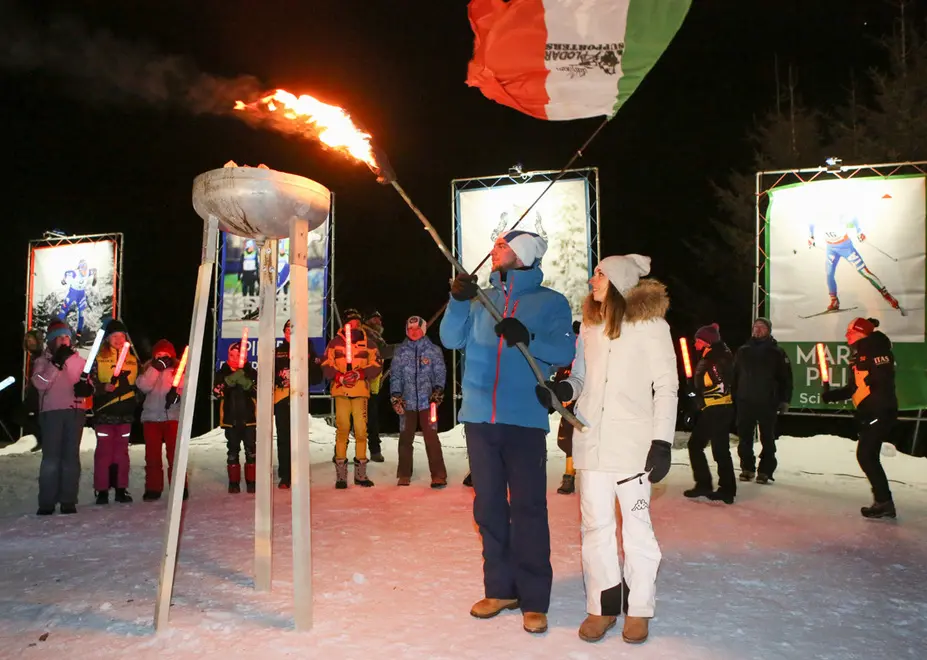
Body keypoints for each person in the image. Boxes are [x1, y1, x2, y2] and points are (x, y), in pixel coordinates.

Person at [440, 230, 575, 635]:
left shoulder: (551, 302)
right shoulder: (482, 299)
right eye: (496, 244)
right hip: (481, 417)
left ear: (524, 255)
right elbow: (450, 338)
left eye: (504, 245)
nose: (495, 249)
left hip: (524, 419)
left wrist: (528, 338)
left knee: (529, 509)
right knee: (489, 508)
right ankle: (500, 588)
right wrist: (457, 300)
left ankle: (534, 598)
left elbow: (565, 351)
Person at [539, 254, 676, 645]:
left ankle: (640, 608)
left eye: (599, 274)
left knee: (637, 529)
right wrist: (564, 390)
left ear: (617, 281)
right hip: (591, 443)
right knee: (595, 529)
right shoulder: (590, 327)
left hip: (634, 449)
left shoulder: (652, 327)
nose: (592, 279)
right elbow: (581, 376)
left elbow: (667, 386)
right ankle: (601, 606)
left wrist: (662, 441)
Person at [822, 317, 899, 519]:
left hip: (878, 412)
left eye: (850, 331)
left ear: (862, 333)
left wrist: (873, 412)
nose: (847, 334)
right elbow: (854, 388)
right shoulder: (861, 354)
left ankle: (883, 502)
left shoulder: (876, 350)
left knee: (865, 455)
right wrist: (831, 396)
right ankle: (883, 502)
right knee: (868, 456)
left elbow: (882, 383)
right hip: (872, 412)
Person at [31, 320, 91, 515]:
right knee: (51, 458)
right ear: (51, 341)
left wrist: (88, 389)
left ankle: (68, 500)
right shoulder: (43, 361)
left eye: (66, 336)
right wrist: (56, 364)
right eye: (59, 337)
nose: (64, 340)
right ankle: (47, 502)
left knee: (70, 458)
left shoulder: (79, 360)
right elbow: (40, 383)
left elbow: (87, 382)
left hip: (74, 411)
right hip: (51, 412)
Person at [322, 311, 382, 489]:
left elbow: (377, 364)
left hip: (360, 391)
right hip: (341, 391)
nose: (354, 326)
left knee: (361, 430)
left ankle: (361, 474)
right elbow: (326, 364)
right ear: (344, 325)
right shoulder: (335, 343)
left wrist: (361, 373)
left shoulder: (369, 344)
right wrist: (339, 376)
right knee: (342, 429)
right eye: (350, 323)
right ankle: (341, 475)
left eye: (357, 323)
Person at [732, 317, 792, 484]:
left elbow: (786, 379)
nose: (757, 330)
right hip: (745, 401)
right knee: (744, 437)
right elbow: (734, 376)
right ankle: (747, 468)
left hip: (767, 402)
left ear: (768, 331)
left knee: (767, 437)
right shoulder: (743, 350)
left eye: (761, 327)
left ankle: (765, 470)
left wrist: (784, 400)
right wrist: (733, 396)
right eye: (755, 327)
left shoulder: (777, 352)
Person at [390, 315, 448, 488]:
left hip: (428, 402)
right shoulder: (401, 351)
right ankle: (404, 473)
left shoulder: (433, 350)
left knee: (431, 437)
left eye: (417, 329)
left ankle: (439, 474)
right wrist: (395, 395)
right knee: (405, 437)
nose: (414, 332)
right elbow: (396, 375)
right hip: (406, 401)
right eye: (410, 329)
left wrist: (438, 390)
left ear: (423, 330)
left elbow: (440, 372)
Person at [683, 323, 736, 504]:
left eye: (698, 341)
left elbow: (719, 382)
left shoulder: (716, 357)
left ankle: (722, 488)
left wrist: (695, 391)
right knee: (703, 446)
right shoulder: (715, 355)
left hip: (718, 408)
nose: (695, 344)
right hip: (714, 408)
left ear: (706, 342)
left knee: (714, 448)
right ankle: (711, 485)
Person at [90, 319, 138, 505]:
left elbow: (138, 385)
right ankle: (102, 490)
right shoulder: (99, 357)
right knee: (104, 452)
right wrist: (102, 387)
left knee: (122, 453)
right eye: (115, 336)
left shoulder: (132, 359)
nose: (119, 339)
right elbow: (89, 382)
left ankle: (120, 489)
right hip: (105, 412)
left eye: (122, 336)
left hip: (125, 413)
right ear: (108, 338)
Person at [809, 214, 899, 312]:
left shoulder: (839, 213)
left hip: (845, 247)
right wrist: (811, 236)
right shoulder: (818, 214)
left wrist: (859, 231)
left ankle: (886, 295)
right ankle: (834, 301)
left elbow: (854, 217)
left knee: (864, 272)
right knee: (829, 273)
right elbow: (811, 222)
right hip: (831, 248)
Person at [273, 319, 323, 489]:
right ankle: (285, 475)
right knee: (283, 437)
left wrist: (308, 362)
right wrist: (280, 379)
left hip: (299, 398)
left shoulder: (307, 350)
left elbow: (317, 378)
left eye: (292, 329)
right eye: (287, 329)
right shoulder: (277, 352)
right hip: (281, 399)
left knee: (299, 437)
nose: (289, 332)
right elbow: (268, 376)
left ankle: (299, 472)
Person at [136, 339, 187, 501]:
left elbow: (186, 386)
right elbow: (143, 386)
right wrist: (154, 370)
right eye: (159, 355)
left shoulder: (178, 370)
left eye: (166, 355)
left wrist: (177, 396)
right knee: (152, 455)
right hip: (151, 418)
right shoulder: (149, 369)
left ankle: (179, 486)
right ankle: (153, 487)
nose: (163, 358)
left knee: (174, 453)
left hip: (172, 417)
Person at [214, 341, 258, 493]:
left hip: (249, 418)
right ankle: (233, 482)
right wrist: (228, 381)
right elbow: (216, 392)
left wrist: (246, 383)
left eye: (238, 355)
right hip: (230, 419)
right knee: (232, 450)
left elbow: (258, 391)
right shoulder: (222, 372)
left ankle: (252, 481)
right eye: (231, 355)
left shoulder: (251, 372)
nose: (234, 358)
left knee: (251, 450)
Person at [551, 320, 583, 495]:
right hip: (569, 408)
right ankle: (569, 474)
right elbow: (562, 377)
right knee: (568, 440)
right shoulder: (567, 357)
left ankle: (572, 475)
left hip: (587, 407)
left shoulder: (589, 355)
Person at [362, 309, 394, 463]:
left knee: (371, 419)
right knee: (368, 420)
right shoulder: (366, 335)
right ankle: (373, 451)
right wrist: (403, 347)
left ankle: (373, 451)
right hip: (362, 385)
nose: (378, 322)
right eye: (375, 319)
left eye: (379, 320)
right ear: (367, 321)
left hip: (371, 385)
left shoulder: (375, 336)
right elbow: (383, 352)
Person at [57, 259, 97, 341]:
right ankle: (57, 328)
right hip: (73, 292)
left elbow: (95, 270)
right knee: (64, 309)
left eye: (85, 267)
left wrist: (95, 279)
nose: (84, 270)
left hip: (81, 294)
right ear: (79, 268)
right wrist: (63, 280)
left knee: (81, 313)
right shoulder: (75, 273)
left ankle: (79, 334)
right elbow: (66, 272)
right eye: (82, 267)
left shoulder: (88, 272)